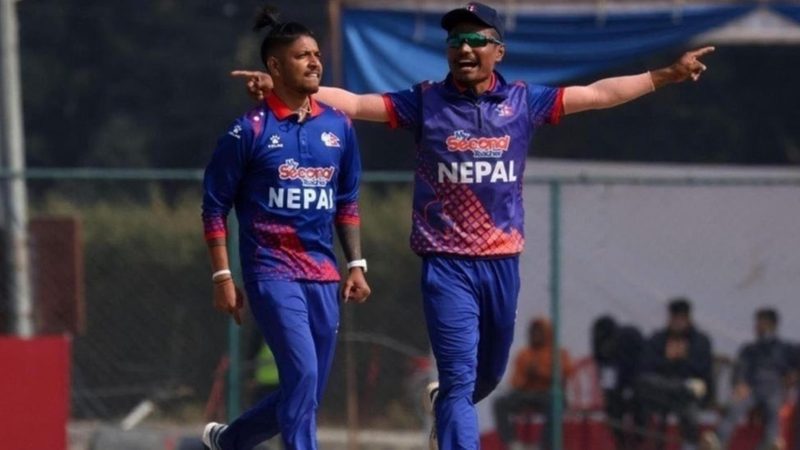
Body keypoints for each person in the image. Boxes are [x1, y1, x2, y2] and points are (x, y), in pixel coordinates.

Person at [232, 3, 714, 448]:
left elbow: (597, 94)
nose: (463, 48)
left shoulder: (523, 101)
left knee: (487, 378)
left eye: (475, 40)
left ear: (498, 51)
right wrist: (283, 86)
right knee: (460, 382)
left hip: (502, 264)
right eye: (455, 41)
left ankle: (443, 406)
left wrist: (666, 74)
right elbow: (356, 104)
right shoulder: (426, 102)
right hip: (446, 265)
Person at [201, 7, 371, 450]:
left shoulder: (338, 126)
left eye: (317, 55)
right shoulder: (248, 131)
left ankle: (231, 441)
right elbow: (214, 207)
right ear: (275, 67)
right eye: (302, 56)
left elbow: (347, 201)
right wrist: (222, 276)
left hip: (323, 273)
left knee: (306, 389)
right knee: (303, 375)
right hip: (272, 271)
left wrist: (356, 264)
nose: (314, 62)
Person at [702, 308, 794, 450]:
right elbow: (740, 370)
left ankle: (770, 444)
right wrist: (740, 384)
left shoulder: (786, 349)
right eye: (758, 324)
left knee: (773, 410)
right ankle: (717, 441)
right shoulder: (749, 349)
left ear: (773, 325)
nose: (759, 327)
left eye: (763, 324)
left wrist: (793, 376)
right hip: (751, 390)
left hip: (773, 389)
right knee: (735, 407)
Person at [637, 298, 713, 450]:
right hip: (668, 389)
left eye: (681, 319)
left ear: (688, 319)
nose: (677, 323)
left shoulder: (700, 340)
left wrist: (681, 360)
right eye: (674, 319)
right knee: (645, 382)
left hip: (692, 387)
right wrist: (669, 361)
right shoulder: (659, 338)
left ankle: (690, 445)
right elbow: (646, 364)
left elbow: (701, 369)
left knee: (692, 390)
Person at [492, 318, 573, 450]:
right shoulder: (524, 354)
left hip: (547, 395)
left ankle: (545, 446)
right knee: (500, 402)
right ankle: (513, 443)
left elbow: (566, 374)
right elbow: (515, 383)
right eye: (533, 332)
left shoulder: (558, 353)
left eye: (539, 332)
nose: (536, 335)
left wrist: (541, 372)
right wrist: (527, 375)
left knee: (556, 403)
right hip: (526, 395)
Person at [591, 316, 645, 450]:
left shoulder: (630, 339)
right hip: (616, 388)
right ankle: (620, 443)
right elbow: (606, 378)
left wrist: (629, 389)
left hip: (638, 384)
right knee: (612, 406)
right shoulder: (601, 351)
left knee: (639, 401)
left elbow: (641, 368)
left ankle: (638, 442)